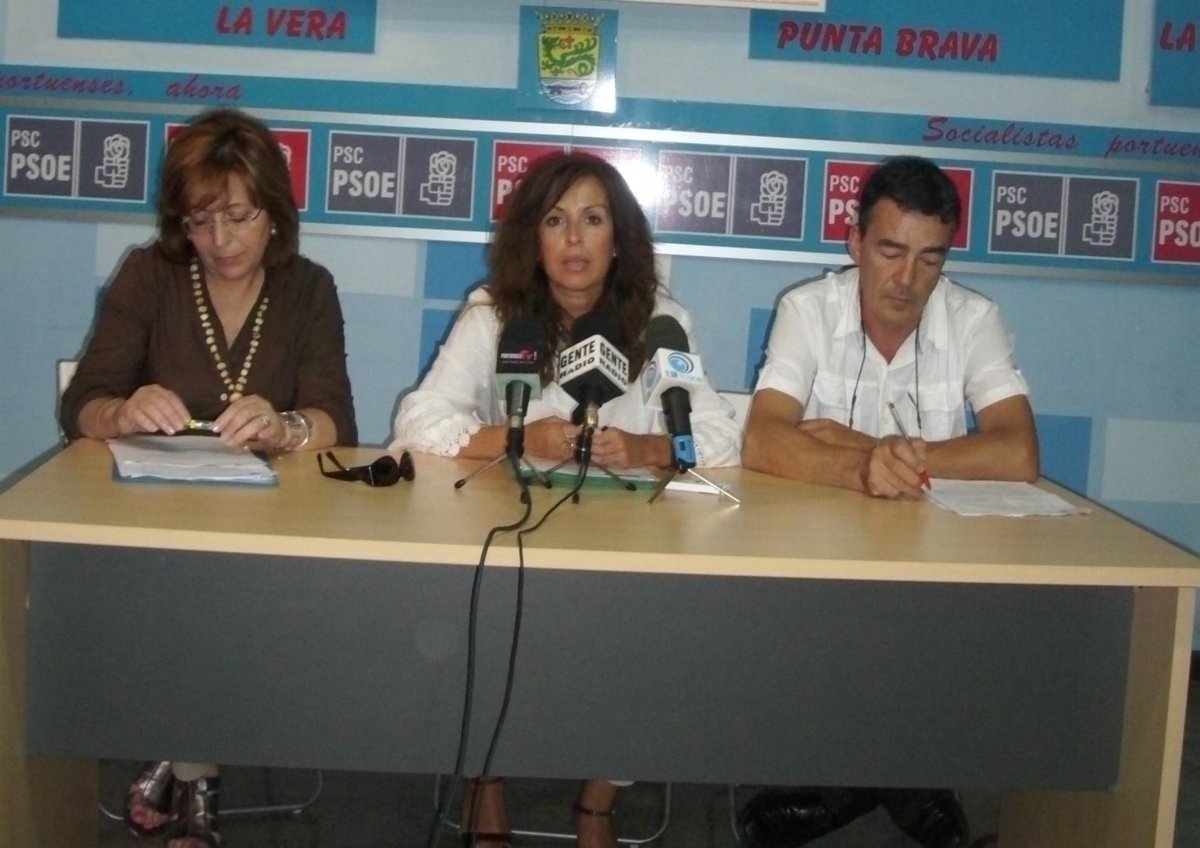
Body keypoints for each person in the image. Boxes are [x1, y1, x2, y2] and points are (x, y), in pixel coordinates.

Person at [390, 151, 741, 848]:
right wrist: (518, 437)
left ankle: (598, 802)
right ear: (533, 237)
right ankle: (484, 783)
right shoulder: (495, 315)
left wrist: (646, 448)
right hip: (514, 529)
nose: (574, 240)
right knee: (475, 610)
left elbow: (721, 437)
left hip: (625, 544)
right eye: (555, 221)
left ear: (620, 238)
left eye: (593, 220)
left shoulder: (661, 320)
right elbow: (418, 419)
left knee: (659, 631)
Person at [60, 107, 357, 848]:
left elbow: (336, 421)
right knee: (179, 587)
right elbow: (81, 404)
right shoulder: (149, 274)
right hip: (155, 523)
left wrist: (287, 428)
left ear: (274, 212)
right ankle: (199, 775)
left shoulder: (309, 288)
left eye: (238, 217)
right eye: (199, 222)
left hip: (266, 530)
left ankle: (182, 760)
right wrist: (122, 411)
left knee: (219, 593)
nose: (220, 241)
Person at [739, 155, 1038, 848]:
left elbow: (1018, 452)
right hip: (815, 562)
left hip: (932, 567)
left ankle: (853, 790)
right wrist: (862, 469)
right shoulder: (807, 309)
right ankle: (896, 784)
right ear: (854, 242)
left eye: (930, 259)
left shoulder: (974, 319)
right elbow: (762, 439)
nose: (907, 279)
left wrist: (873, 449)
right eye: (891, 251)